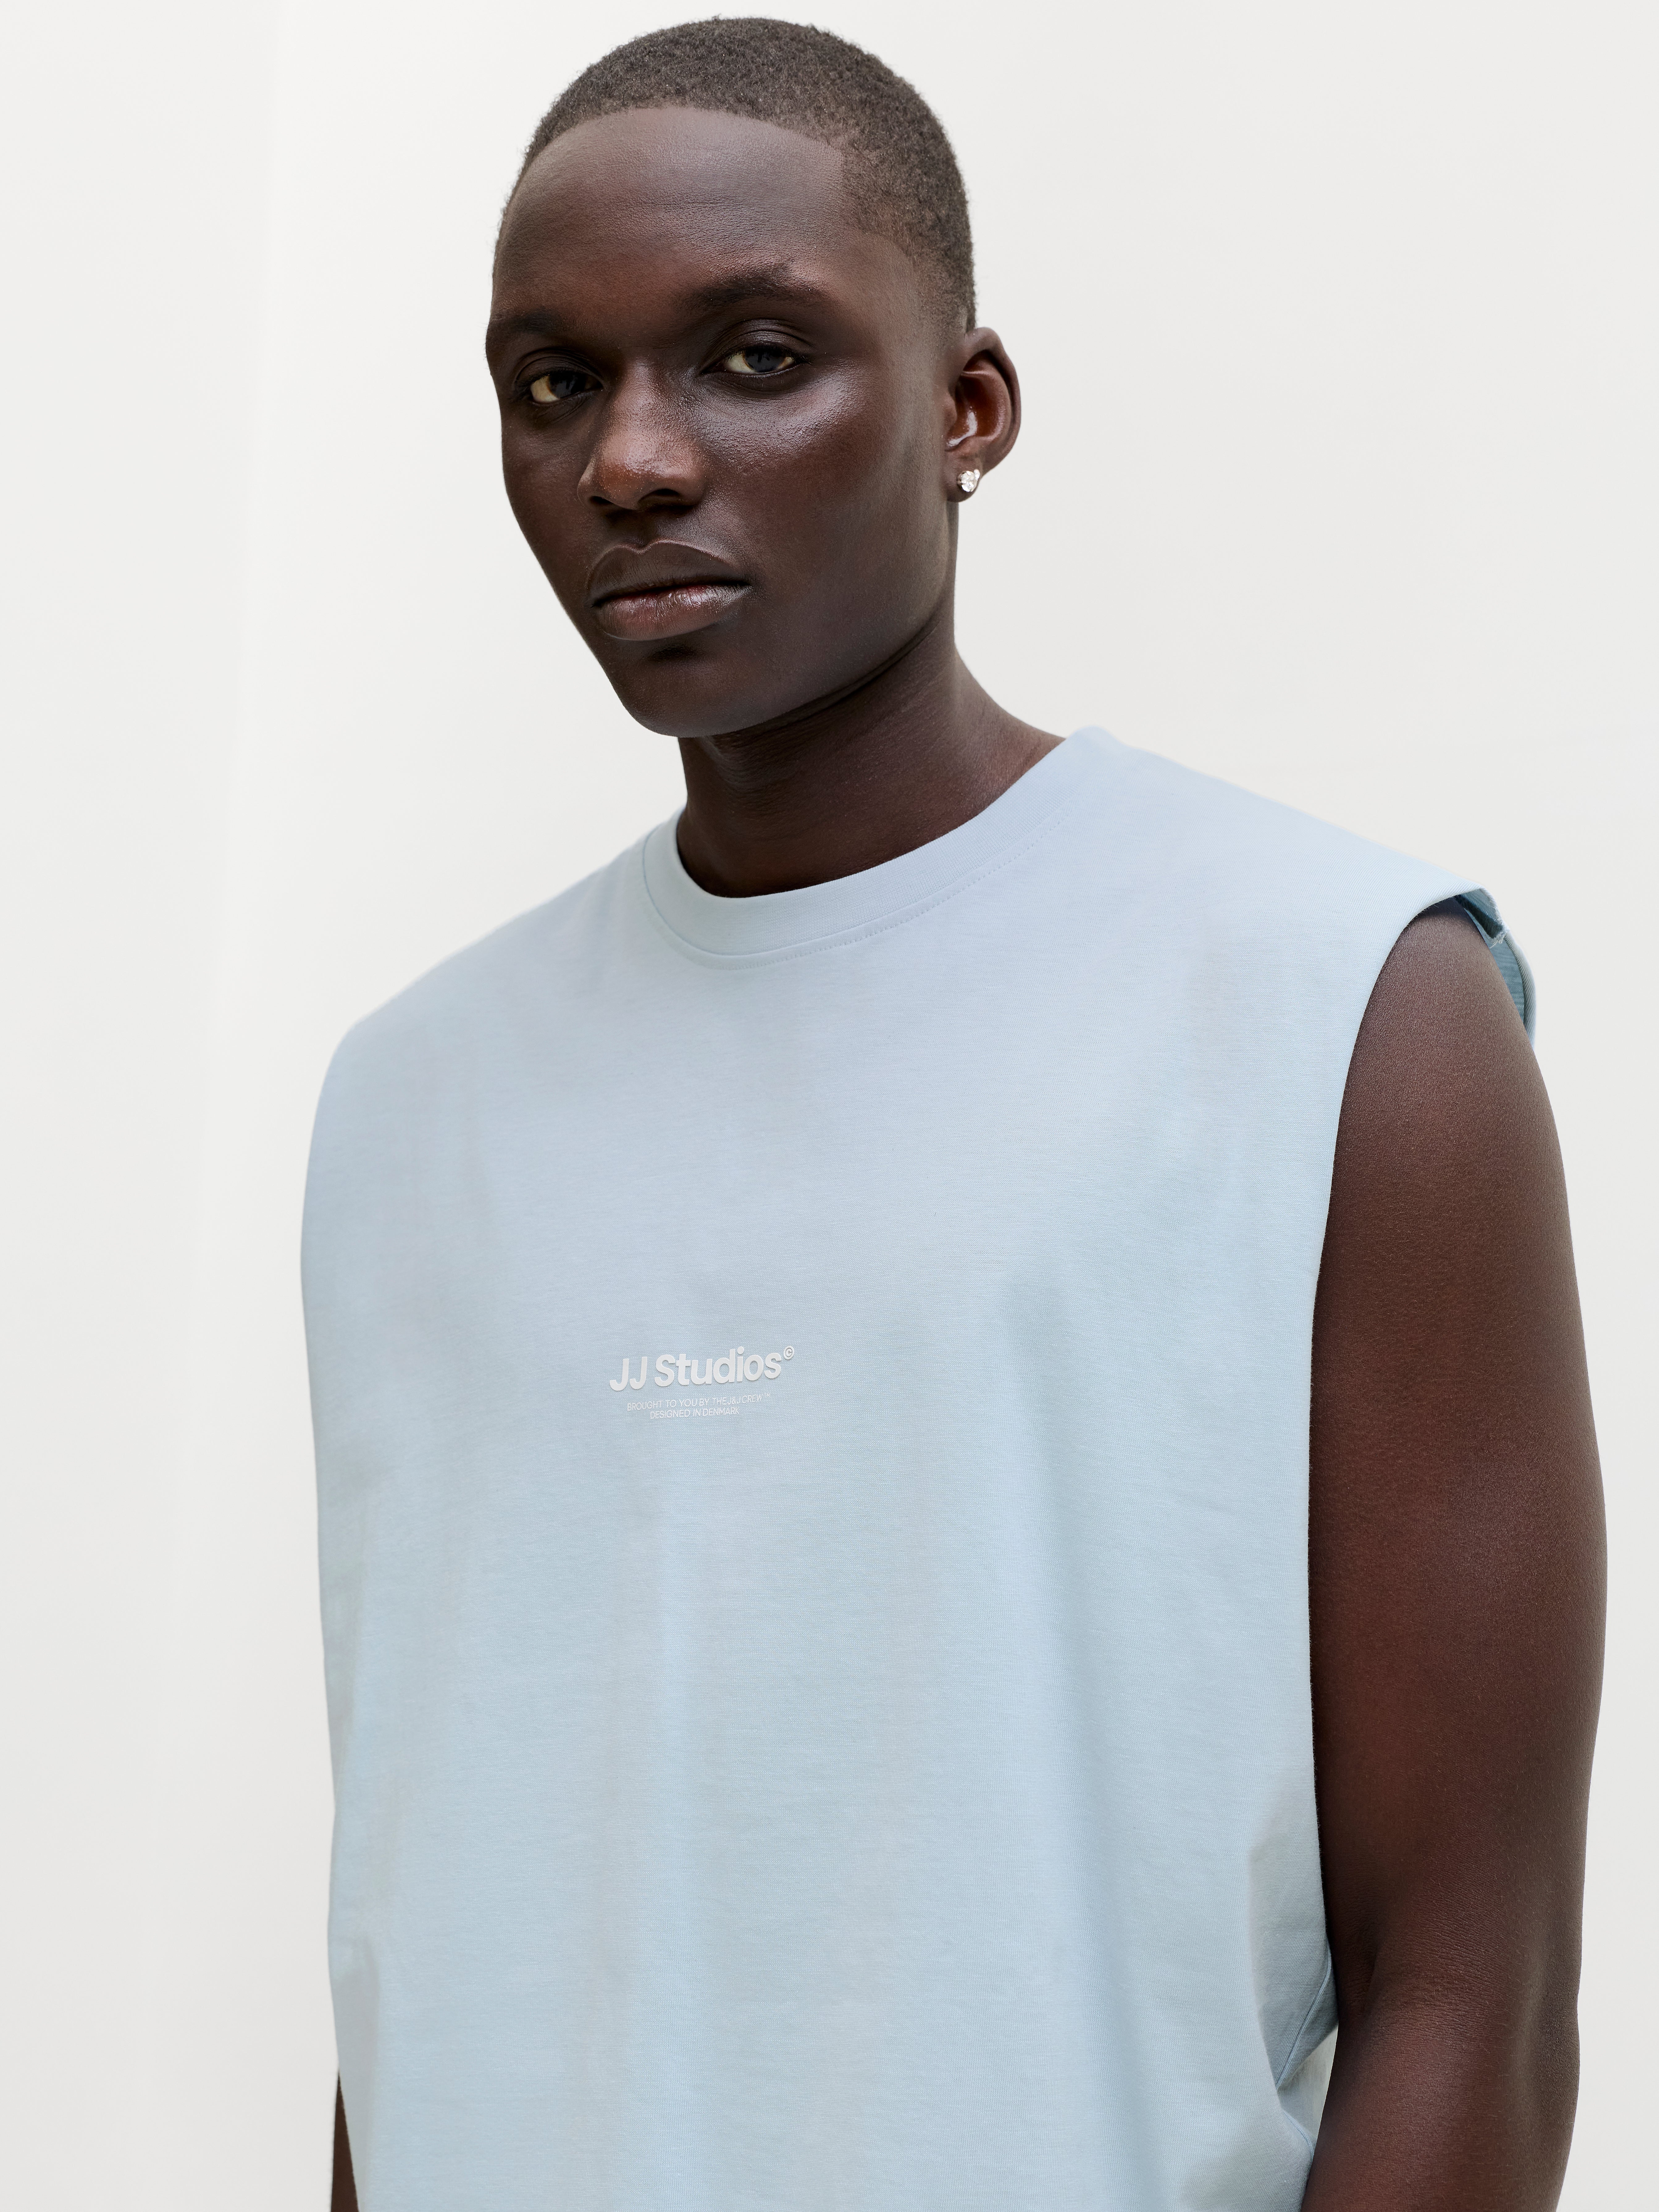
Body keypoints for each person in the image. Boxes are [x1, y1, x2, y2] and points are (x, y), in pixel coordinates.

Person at [304, 20, 1604, 2210]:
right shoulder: (409, 1101)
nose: (633, 460)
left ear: (969, 408)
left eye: (754, 357)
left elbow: (1478, 1993)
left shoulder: (1347, 1006)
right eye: (553, 383)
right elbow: (429, 1948)